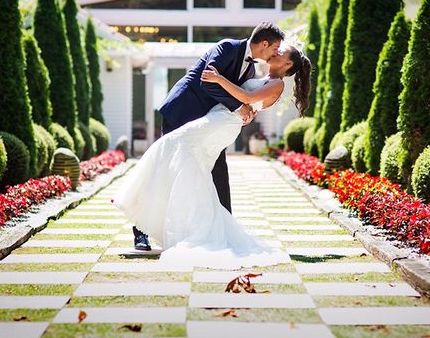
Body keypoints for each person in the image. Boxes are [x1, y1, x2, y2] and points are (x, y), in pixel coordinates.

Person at [112, 44, 312, 269]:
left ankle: (184, 227)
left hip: (223, 123)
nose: (276, 52)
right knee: (190, 167)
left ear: (288, 65)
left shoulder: (276, 84)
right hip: (216, 117)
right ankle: (185, 226)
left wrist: (218, 79)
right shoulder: (258, 73)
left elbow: (246, 96)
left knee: (173, 145)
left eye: (281, 52)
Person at [131, 22, 285, 251]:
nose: (276, 53)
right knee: (167, 170)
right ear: (264, 43)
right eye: (275, 48)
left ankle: (225, 228)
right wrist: (238, 106)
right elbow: (207, 80)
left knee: (219, 171)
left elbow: (240, 95)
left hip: (208, 126)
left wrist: (248, 109)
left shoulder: (251, 70)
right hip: (182, 112)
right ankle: (141, 231)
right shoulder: (227, 48)